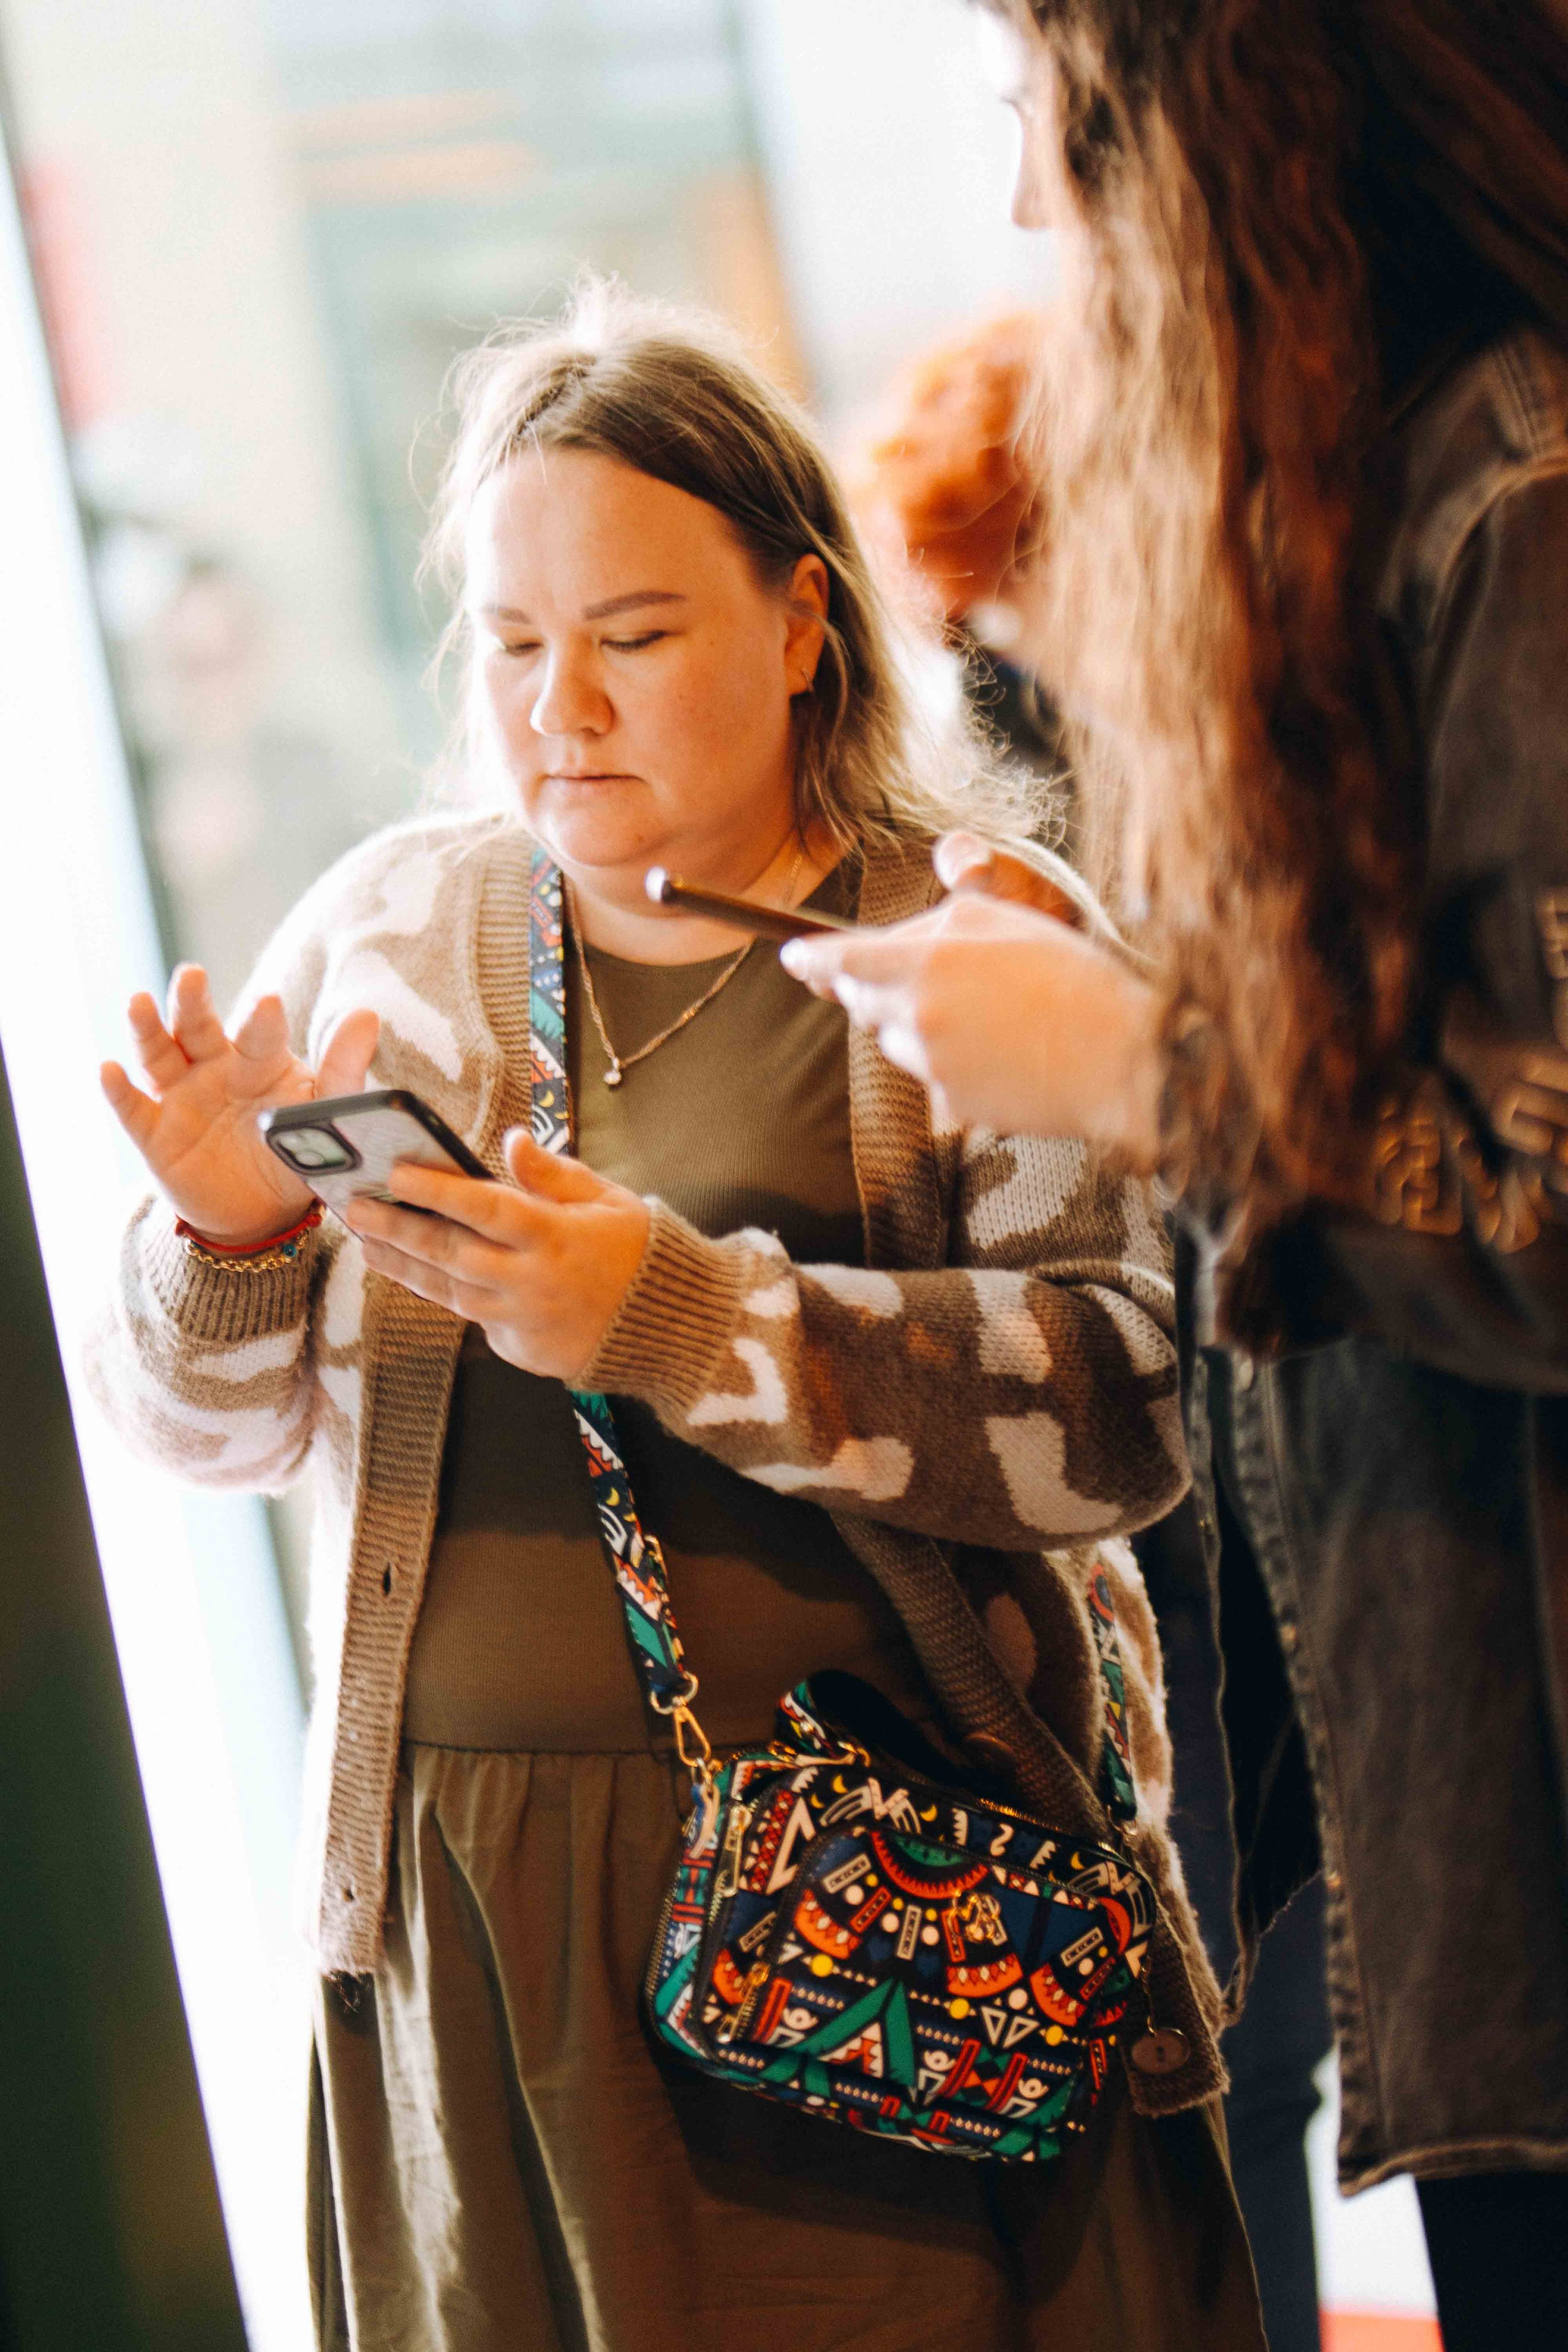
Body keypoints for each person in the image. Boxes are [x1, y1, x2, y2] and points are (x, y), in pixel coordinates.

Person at [86, 284, 1264, 2352]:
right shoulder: (393, 924)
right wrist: (231, 1234)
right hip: (464, 1902)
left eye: (632, 639)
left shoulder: (971, 932)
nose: (564, 708)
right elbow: (201, 1435)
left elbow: (1122, 1412)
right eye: (518, 647)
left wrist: (677, 1317)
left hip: (899, 1906)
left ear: (805, 620)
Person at [783, 6, 1568, 2345]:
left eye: (1052, 125)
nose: (1033, 205)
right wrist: (1133, 1000)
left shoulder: (1511, 500)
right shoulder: (1421, 489)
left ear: (1239, 137)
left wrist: (1152, 1071)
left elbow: (1539, 1207)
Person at [850, 308, 1335, 2352]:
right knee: (1228, 2051)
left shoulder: (1289, 752)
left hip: (1291, 1474)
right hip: (1173, 1540)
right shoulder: (1002, 803)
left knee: (1272, 2040)